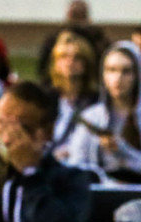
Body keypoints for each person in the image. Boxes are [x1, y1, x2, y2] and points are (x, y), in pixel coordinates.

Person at [0, 81, 91, 222]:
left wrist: (29, 172)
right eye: (0, 123)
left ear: (45, 133)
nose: (5, 135)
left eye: (18, 126)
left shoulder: (71, 180)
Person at [66, 41, 141, 184]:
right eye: (111, 70)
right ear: (103, 75)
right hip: (100, 194)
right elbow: (76, 165)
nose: (118, 78)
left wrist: (124, 151)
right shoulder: (92, 117)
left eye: (126, 71)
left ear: (138, 75)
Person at [45, 30, 99, 160]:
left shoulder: (96, 100)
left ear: (86, 63)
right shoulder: (46, 99)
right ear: (55, 63)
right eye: (63, 57)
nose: (70, 62)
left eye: (77, 58)